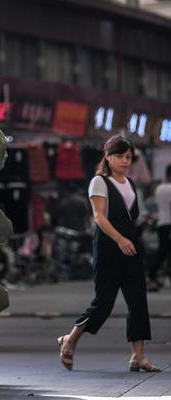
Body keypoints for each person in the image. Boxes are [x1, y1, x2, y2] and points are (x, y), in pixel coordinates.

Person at [56, 134, 159, 373]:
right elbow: (99, 217)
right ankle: (70, 339)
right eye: (120, 156)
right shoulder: (99, 182)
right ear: (108, 156)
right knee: (103, 303)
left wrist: (134, 234)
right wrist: (120, 239)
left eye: (128, 157)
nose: (125, 161)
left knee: (138, 302)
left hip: (131, 246)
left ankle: (138, 356)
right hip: (108, 248)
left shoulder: (130, 183)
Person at [148, 165, 171, 290]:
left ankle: (153, 275)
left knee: (163, 251)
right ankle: (151, 274)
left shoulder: (159, 188)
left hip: (161, 223)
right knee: (163, 253)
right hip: (169, 224)